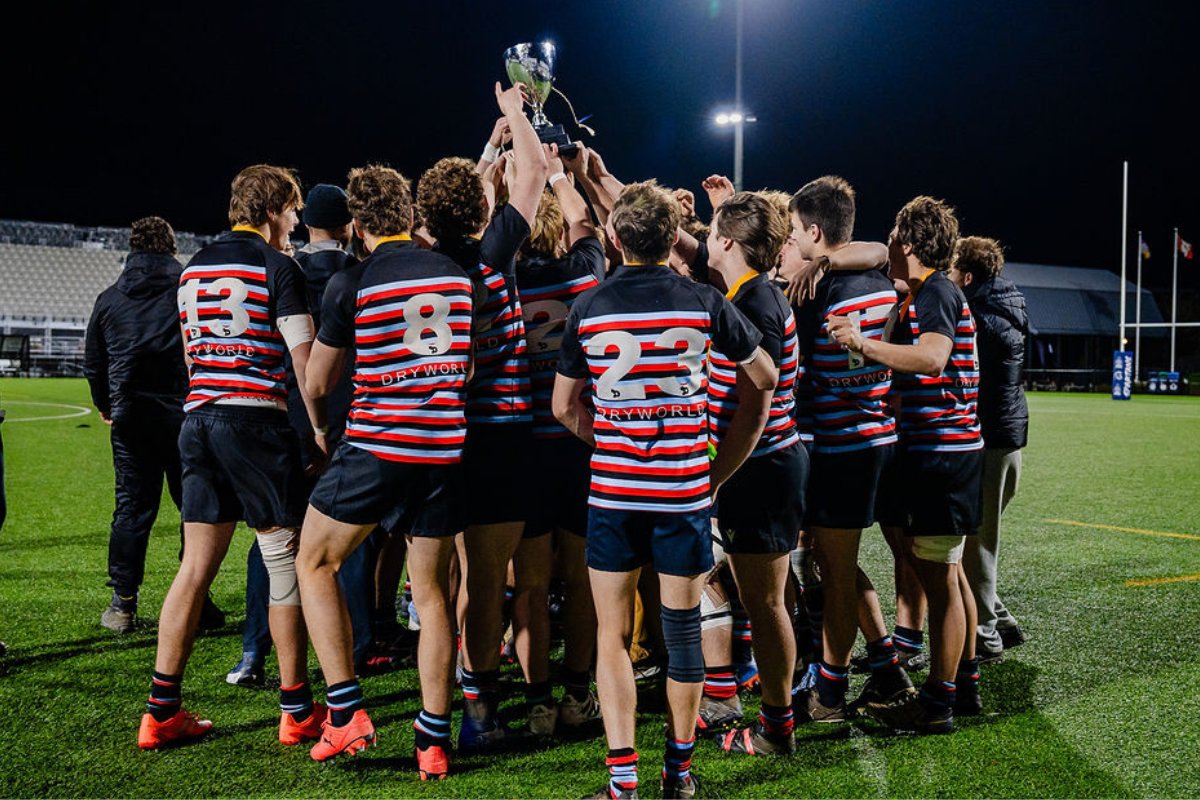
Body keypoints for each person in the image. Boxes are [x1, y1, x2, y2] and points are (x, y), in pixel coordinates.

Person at [553, 180, 777, 799]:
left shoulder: (590, 307)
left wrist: (613, 440)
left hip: (616, 494)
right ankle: (677, 777)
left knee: (612, 636)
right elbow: (765, 375)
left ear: (616, 239)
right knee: (681, 636)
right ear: (669, 237)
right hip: (681, 494)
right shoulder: (704, 300)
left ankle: (622, 782)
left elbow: (563, 408)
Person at [137, 165, 327, 751]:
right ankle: (295, 708)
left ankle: (160, 710)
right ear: (272, 210)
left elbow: (194, 356)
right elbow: (304, 363)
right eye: (292, 212)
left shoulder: (193, 265)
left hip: (198, 419)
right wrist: (320, 429)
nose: (295, 224)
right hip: (254, 421)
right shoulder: (279, 267)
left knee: (195, 566)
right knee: (282, 559)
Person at [294, 163, 474, 779]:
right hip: (445, 448)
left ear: (358, 225)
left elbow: (317, 382)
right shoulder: (455, 273)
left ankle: (346, 715)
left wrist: (321, 428)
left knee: (313, 562)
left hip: (377, 449)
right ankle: (432, 742)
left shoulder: (351, 283)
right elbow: (467, 368)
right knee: (431, 594)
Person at [417, 82, 547, 750]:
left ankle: (454, 707)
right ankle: (482, 709)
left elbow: (447, 205)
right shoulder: (495, 253)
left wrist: (482, 152)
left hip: (438, 437)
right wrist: (514, 116)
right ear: (479, 211)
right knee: (489, 580)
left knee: (446, 586)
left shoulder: (420, 263)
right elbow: (536, 172)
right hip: (502, 434)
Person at [828, 195, 983, 733]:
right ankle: (963, 685)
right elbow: (869, 257)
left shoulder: (938, 290)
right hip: (933, 450)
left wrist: (863, 345)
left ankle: (938, 703)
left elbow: (934, 358)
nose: (888, 243)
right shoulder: (923, 289)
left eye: (896, 236)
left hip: (944, 455)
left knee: (940, 581)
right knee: (944, 572)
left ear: (911, 244)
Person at [226, 182, 379, 686]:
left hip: (282, 416)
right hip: (350, 416)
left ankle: (254, 651)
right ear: (349, 226)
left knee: (273, 536)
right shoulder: (363, 275)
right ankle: (354, 647)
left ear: (307, 223)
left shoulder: (281, 268)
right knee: (349, 536)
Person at [784, 177, 915, 722]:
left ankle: (832, 692)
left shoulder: (814, 292)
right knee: (835, 562)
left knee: (835, 570)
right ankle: (884, 661)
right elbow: (878, 250)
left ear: (815, 232)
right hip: (878, 436)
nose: (791, 244)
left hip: (839, 446)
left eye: (795, 234)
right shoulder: (877, 277)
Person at [700, 191, 806, 757]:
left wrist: (717, 475)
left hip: (759, 468)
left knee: (766, 606)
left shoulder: (752, 304)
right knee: (757, 599)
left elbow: (755, 405)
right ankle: (761, 710)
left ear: (728, 242)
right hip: (766, 465)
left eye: (713, 230)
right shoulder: (752, 292)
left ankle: (775, 728)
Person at [83, 216, 224, 634]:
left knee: (131, 509)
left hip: (132, 419)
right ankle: (197, 600)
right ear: (170, 248)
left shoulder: (109, 299)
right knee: (193, 509)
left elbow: (94, 363)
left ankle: (123, 603)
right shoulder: (185, 292)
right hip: (184, 416)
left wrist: (107, 405)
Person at [514, 143, 607, 733]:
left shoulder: (502, 276)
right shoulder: (584, 278)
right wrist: (561, 175)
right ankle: (577, 693)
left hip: (523, 445)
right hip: (578, 441)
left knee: (528, 583)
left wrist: (515, 174)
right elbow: (583, 222)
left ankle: (538, 701)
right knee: (579, 578)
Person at [949, 235, 1029, 660]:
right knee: (980, 537)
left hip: (991, 438)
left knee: (977, 542)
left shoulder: (976, 314)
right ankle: (1000, 617)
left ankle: (984, 634)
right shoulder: (1008, 303)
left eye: (951, 272)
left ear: (966, 275)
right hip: (1011, 437)